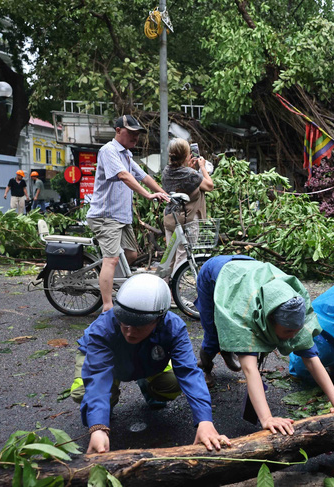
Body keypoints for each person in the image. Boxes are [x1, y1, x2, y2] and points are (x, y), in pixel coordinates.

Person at [195, 255, 334, 435]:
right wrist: (267, 418)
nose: (293, 337)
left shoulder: (295, 312)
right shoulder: (243, 316)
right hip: (218, 274)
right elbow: (250, 369)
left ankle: (231, 348)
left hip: (251, 268)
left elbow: (312, 360)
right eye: (287, 332)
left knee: (248, 346)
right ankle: (205, 366)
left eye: (296, 331)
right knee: (214, 335)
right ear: (269, 320)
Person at [70, 274, 230, 454]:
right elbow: (98, 376)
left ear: (159, 319)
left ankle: (150, 389)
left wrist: (205, 421)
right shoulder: (102, 328)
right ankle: (107, 405)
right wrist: (98, 427)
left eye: (139, 326)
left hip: (149, 361)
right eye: (125, 324)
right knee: (83, 392)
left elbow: (189, 372)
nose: (129, 333)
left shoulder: (173, 327)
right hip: (110, 366)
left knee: (174, 382)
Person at [86, 115, 170, 312]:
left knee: (131, 255)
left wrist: (164, 194)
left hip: (121, 216)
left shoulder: (127, 155)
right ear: (118, 131)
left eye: (137, 134)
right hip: (105, 216)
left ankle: (107, 281)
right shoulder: (108, 151)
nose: (135, 137)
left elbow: (144, 176)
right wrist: (148, 195)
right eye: (131, 133)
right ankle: (107, 307)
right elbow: (124, 176)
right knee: (112, 259)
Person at [161, 139, 214, 269]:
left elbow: (183, 182)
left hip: (170, 217)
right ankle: (176, 286)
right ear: (186, 155)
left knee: (170, 256)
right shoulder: (189, 174)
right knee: (183, 256)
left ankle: (166, 285)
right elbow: (209, 186)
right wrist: (202, 167)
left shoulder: (166, 171)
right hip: (187, 219)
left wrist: (189, 168)